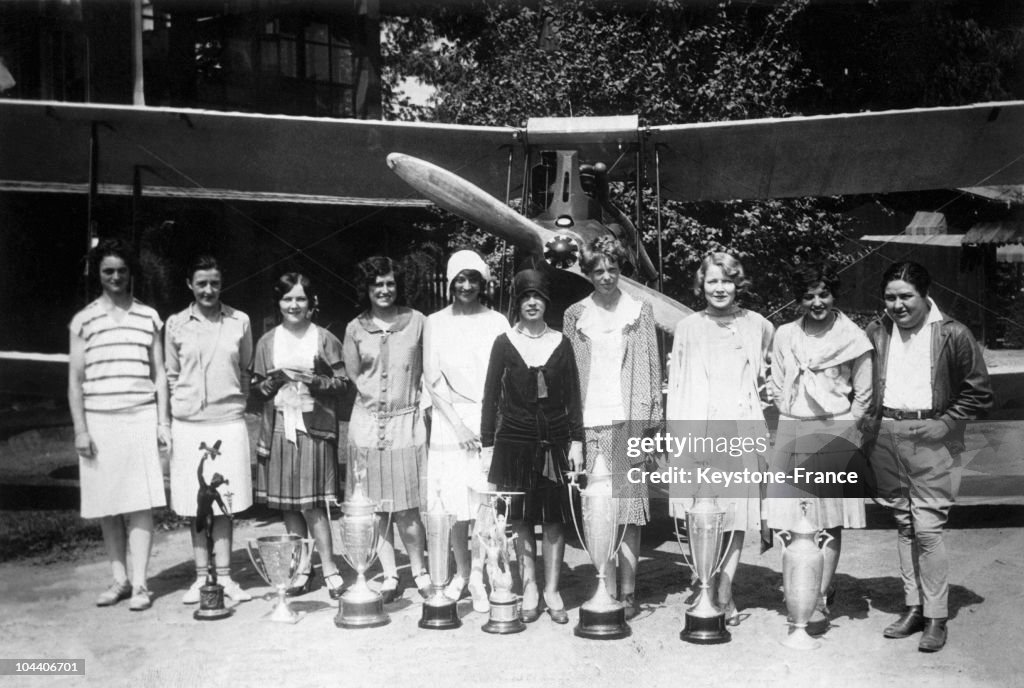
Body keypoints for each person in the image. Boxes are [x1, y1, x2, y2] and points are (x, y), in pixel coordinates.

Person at [865, 261, 992, 653]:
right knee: (904, 525)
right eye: (890, 297)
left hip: (933, 437)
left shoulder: (953, 334)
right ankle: (913, 607)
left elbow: (980, 392)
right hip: (886, 435)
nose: (898, 305)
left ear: (924, 295)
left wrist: (947, 422)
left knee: (928, 528)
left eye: (906, 296)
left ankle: (936, 616)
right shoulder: (876, 330)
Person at [665, 251, 773, 624]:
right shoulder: (688, 327)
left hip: (742, 432)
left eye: (727, 280)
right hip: (699, 432)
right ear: (702, 285)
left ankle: (725, 592)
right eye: (713, 280)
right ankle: (703, 583)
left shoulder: (758, 324)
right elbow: (676, 386)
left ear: (737, 283)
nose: (720, 288)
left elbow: (772, 372)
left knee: (737, 515)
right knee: (701, 514)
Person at [767, 261, 872, 633]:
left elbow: (864, 394)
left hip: (833, 431)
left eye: (823, 293)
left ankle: (821, 598)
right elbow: (775, 382)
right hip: (794, 430)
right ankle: (795, 592)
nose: (817, 302)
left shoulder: (853, 337)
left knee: (828, 523)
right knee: (787, 521)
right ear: (799, 299)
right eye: (809, 295)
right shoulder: (784, 335)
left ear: (834, 295)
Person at [563, 236, 662, 620]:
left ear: (622, 269)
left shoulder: (640, 310)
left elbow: (653, 369)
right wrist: (571, 430)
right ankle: (602, 584)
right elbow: (570, 373)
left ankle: (629, 591)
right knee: (598, 509)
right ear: (588, 273)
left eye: (613, 269)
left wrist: (652, 425)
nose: (606, 276)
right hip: (590, 422)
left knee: (629, 509)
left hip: (629, 420)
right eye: (598, 270)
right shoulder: (575, 314)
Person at [68, 238, 170, 611]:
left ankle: (142, 584)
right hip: (99, 421)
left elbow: (160, 374)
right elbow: (75, 382)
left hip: (139, 416)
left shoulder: (149, 317)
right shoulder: (83, 320)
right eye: (108, 270)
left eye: (121, 271)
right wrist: (81, 429)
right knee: (108, 505)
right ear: (99, 274)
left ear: (131, 274)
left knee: (141, 503)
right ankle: (119, 580)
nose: (115, 277)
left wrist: (163, 421)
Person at [481, 268, 584, 624]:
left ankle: (552, 589)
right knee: (522, 518)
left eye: (537, 297)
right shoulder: (503, 342)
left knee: (554, 519)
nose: (532, 303)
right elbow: (490, 396)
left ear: (546, 302)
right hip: (513, 440)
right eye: (525, 297)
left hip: (554, 440)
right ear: (518, 302)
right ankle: (529, 587)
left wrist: (576, 440)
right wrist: (486, 445)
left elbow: (573, 396)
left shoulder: (562, 343)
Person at [165, 255, 254, 604]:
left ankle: (227, 578)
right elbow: (172, 375)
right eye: (201, 283)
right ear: (190, 284)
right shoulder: (174, 324)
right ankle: (201, 578)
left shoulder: (240, 321)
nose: (208, 290)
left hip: (228, 423)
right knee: (196, 504)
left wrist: (235, 402)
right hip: (189, 426)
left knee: (225, 504)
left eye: (214, 283)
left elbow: (246, 369)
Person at [251, 273, 346, 599]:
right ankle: (303, 567)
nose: (294, 305)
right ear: (279, 303)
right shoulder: (267, 341)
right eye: (287, 299)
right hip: (279, 427)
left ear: (311, 303)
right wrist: (275, 382)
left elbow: (343, 384)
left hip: (314, 429)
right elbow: (256, 390)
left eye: (300, 299)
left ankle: (330, 568)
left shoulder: (324, 338)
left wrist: (314, 380)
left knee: (314, 505)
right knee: (289, 505)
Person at [423, 250, 508, 612]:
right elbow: (431, 378)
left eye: (473, 278)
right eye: (460, 279)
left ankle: (484, 574)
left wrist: (490, 423)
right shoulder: (435, 322)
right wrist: (458, 426)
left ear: (483, 282)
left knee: (484, 503)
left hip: (490, 419)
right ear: (450, 282)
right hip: (448, 422)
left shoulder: (498, 321)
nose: (467, 285)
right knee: (454, 503)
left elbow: (506, 375)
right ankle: (460, 573)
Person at [343, 257, 431, 602]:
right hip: (366, 426)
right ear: (366, 289)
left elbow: (427, 368)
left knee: (408, 508)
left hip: (406, 424)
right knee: (375, 507)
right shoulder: (354, 328)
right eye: (376, 284)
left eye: (390, 283)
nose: (383, 290)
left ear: (398, 286)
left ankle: (420, 571)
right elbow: (354, 375)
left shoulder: (418, 322)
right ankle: (391, 574)